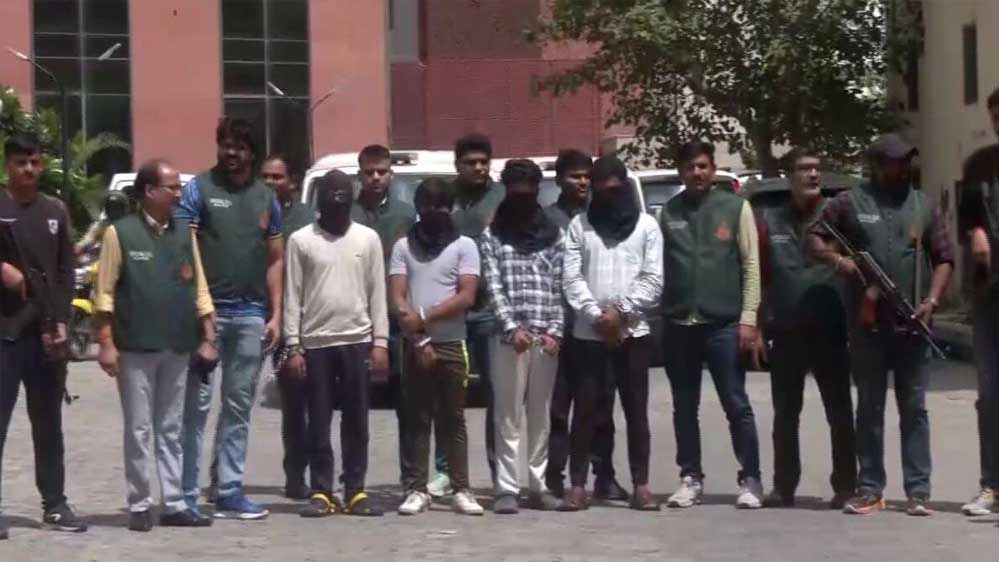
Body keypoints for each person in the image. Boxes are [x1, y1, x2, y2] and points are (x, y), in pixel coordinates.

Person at [809, 133, 953, 516]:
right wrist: (841, 262)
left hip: (913, 324)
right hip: (867, 324)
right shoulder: (848, 202)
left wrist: (931, 301)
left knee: (914, 408)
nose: (903, 167)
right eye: (895, 161)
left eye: (906, 161)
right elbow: (815, 239)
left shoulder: (924, 205)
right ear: (876, 164)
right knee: (870, 406)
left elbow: (944, 257)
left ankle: (918, 491)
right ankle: (870, 488)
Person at [94, 159, 217, 532]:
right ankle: (139, 503)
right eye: (173, 187)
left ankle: (174, 502)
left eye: (180, 187)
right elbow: (104, 293)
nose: (180, 193)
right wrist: (105, 343)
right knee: (139, 428)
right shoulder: (120, 233)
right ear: (149, 191)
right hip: (135, 346)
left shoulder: (184, 232)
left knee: (170, 427)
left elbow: (199, 286)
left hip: (177, 344)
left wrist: (209, 334)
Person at [177, 117, 284, 520]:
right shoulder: (198, 190)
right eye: (226, 145)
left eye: (239, 146)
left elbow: (275, 259)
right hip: (207, 318)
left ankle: (229, 489)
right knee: (197, 408)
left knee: (238, 406)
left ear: (252, 153)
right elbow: (183, 249)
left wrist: (276, 314)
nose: (231, 153)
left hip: (252, 316)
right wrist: (198, 310)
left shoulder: (266, 198)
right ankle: (187, 493)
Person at [660, 140, 764, 510]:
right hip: (679, 324)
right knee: (684, 406)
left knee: (736, 404)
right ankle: (690, 478)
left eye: (703, 166)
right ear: (681, 171)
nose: (697, 173)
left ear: (713, 168)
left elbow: (751, 265)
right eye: (690, 167)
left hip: (723, 324)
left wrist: (748, 318)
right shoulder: (668, 212)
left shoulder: (736, 208)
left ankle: (751, 479)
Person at [284, 170, 389, 518]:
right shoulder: (300, 240)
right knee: (318, 419)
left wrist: (380, 342)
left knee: (357, 420)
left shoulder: (368, 239)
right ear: (320, 203)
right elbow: (292, 295)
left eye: (343, 201)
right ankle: (322, 491)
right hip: (316, 343)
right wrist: (293, 345)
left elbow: (378, 294)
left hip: (357, 340)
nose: (337, 208)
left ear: (351, 202)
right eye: (331, 201)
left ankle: (355, 489)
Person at [755, 148, 856, 509]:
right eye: (804, 169)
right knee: (785, 414)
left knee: (839, 412)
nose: (813, 174)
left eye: (816, 168)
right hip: (786, 330)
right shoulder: (770, 221)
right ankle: (784, 486)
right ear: (789, 176)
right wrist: (757, 326)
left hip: (831, 328)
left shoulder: (839, 217)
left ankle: (846, 486)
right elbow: (761, 277)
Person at [561, 155, 663, 512]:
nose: (609, 195)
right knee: (586, 411)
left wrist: (620, 313)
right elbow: (571, 278)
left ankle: (641, 485)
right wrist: (597, 316)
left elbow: (653, 279)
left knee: (636, 412)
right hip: (588, 334)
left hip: (633, 333)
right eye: (601, 189)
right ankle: (578, 485)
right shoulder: (580, 226)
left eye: (615, 189)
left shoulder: (647, 227)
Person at [0, 133, 86, 537]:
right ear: (8, 165)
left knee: (49, 423)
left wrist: (63, 321)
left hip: (46, 333)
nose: (29, 169)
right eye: (21, 162)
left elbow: (66, 270)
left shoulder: (55, 210)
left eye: (34, 162)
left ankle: (55, 503)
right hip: (5, 333)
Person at [389, 178, 484, 516]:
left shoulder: (465, 246)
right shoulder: (403, 247)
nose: (436, 212)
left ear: (451, 208)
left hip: (453, 344)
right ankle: (417, 489)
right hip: (415, 345)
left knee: (453, 418)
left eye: (442, 206)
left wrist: (425, 317)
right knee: (417, 417)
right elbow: (398, 297)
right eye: (429, 206)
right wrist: (419, 337)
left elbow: (466, 296)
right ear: (419, 209)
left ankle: (461, 489)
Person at [480, 159, 565, 513]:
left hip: (546, 339)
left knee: (540, 415)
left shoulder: (553, 235)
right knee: (507, 415)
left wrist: (556, 331)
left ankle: (539, 485)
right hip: (508, 340)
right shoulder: (492, 235)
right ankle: (507, 488)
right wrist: (511, 327)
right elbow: (493, 285)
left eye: (529, 193)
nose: (522, 199)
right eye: (516, 193)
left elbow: (560, 286)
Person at [543, 149, 627, 501]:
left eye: (586, 176)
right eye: (574, 176)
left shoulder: (604, 216)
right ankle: (553, 476)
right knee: (559, 407)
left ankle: (604, 475)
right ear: (559, 179)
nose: (581, 182)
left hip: (597, 326)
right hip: (561, 325)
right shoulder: (547, 219)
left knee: (602, 405)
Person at [347, 144, 427, 488]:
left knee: (408, 404)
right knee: (356, 405)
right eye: (369, 172)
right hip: (357, 317)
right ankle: (353, 480)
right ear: (360, 175)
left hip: (397, 319)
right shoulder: (347, 212)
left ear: (391, 174)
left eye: (382, 171)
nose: (376, 178)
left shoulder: (406, 214)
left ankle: (412, 480)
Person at [434, 132, 505, 495]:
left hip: (491, 310)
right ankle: (445, 471)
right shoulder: (446, 197)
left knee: (496, 394)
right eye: (470, 162)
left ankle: (500, 472)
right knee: (448, 394)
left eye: (483, 162)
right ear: (457, 165)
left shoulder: (502, 195)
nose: (478, 168)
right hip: (452, 308)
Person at [261, 154, 314, 501]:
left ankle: (297, 475)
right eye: (265, 177)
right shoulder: (252, 211)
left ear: (292, 182)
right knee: (236, 399)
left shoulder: (306, 219)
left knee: (296, 403)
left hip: (298, 319)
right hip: (256, 313)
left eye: (277, 177)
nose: (270, 183)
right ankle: (222, 477)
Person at [959, 86, 999, 517]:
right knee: (989, 394)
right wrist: (977, 233)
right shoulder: (978, 166)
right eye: (997, 117)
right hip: (989, 294)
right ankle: (991, 486)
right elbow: (967, 221)